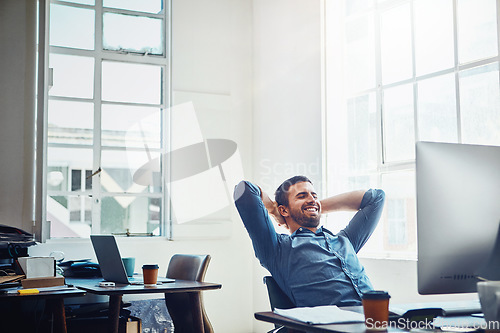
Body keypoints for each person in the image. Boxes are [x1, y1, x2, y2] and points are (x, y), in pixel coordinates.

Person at [233, 175, 385, 307]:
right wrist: (274, 210)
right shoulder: (277, 248)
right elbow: (245, 190)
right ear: (284, 210)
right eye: (302, 196)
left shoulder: (344, 241)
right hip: (334, 326)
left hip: (378, 320)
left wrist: (314, 206)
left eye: (314, 195)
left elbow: (377, 197)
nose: (312, 199)